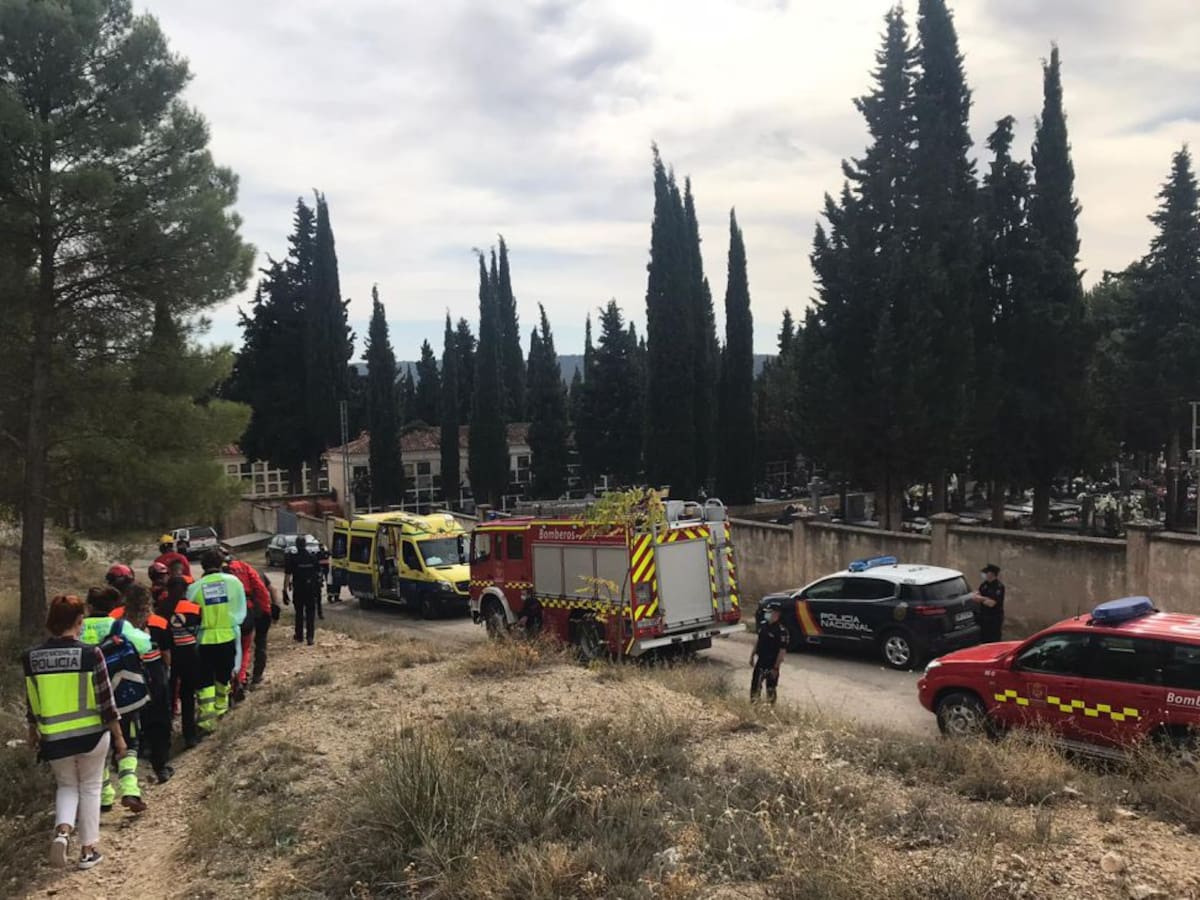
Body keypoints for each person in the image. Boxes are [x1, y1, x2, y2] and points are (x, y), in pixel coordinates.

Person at [24, 595, 126, 871]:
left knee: (67, 786)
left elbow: (33, 702)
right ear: (79, 621)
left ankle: (62, 831)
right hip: (92, 735)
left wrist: (33, 732)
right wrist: (118, 737)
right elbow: (106, 702)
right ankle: (87, 851)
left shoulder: (31, 658)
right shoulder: (91, 654)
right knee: (91, 788)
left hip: (54, 739)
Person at [117, 587, 174, 784]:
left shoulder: (116, 620)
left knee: (129, 722)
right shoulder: (159, 622)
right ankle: (161, 765)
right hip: (154, 674)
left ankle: (129, 769)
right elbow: (166, 655)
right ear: (148, 603)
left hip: (126, 676)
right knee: (159, 720)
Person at [187, 549, 247, 729]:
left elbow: (191, 614)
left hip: (204, 639)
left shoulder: (195, 587)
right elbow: (240, 608)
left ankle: (207, 719)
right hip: (228, 635)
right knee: (224, 674)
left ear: (202, 566)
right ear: (221, 564)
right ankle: (222, 709)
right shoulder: (234, 582)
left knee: (205, 679)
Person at [161, 576, 203, 747]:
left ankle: (164, 736)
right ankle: (189, 735)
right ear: (186, 589)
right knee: (187, 695)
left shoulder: (161, 610)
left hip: (167, 657)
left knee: (166, 697)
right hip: (190, 655)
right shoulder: (194, 608)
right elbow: (199, 630)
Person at [224, 551, 272, 691]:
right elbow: (260, 588)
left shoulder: (216, 573)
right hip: (246, 611)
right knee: (246, 647)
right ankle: (244, 677)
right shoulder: (244, 567)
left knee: (229, 648)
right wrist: (266, 609)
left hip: (224, 615)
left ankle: (229, 679)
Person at [285, 536, 323, 646]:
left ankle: (299, 636)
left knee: (299, 613)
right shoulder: (312, 557)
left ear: (297, 545)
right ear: (305, 544)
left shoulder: (293, 558)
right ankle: (310, 637)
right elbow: (318, 573)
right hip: (311, 589)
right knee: (310, 613)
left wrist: (284, 590)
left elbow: (287, 575)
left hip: (299, 589)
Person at [750, 604, 789, 705]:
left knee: (770, 688)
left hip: (772, 663)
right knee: (755, 686)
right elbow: (758, 641)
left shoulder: (781, 631)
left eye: (769, 612)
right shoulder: (763, 625)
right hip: (761, 660)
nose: (767, 614)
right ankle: (754, 705)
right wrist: (752, 655)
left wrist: (776, 668)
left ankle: (771, 709)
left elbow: (782, 651)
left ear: (776, 614)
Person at [972, 563, 1006, 643]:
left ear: (991, 574)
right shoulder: (984, 584)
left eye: (986, 573)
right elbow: (975, 596)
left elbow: (992, 603)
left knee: (993, 641)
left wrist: (981, 598)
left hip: (994, 619)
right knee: (983, 640)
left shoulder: (999, 587)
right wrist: (985, 599)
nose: (984, 575)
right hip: (983, 617)